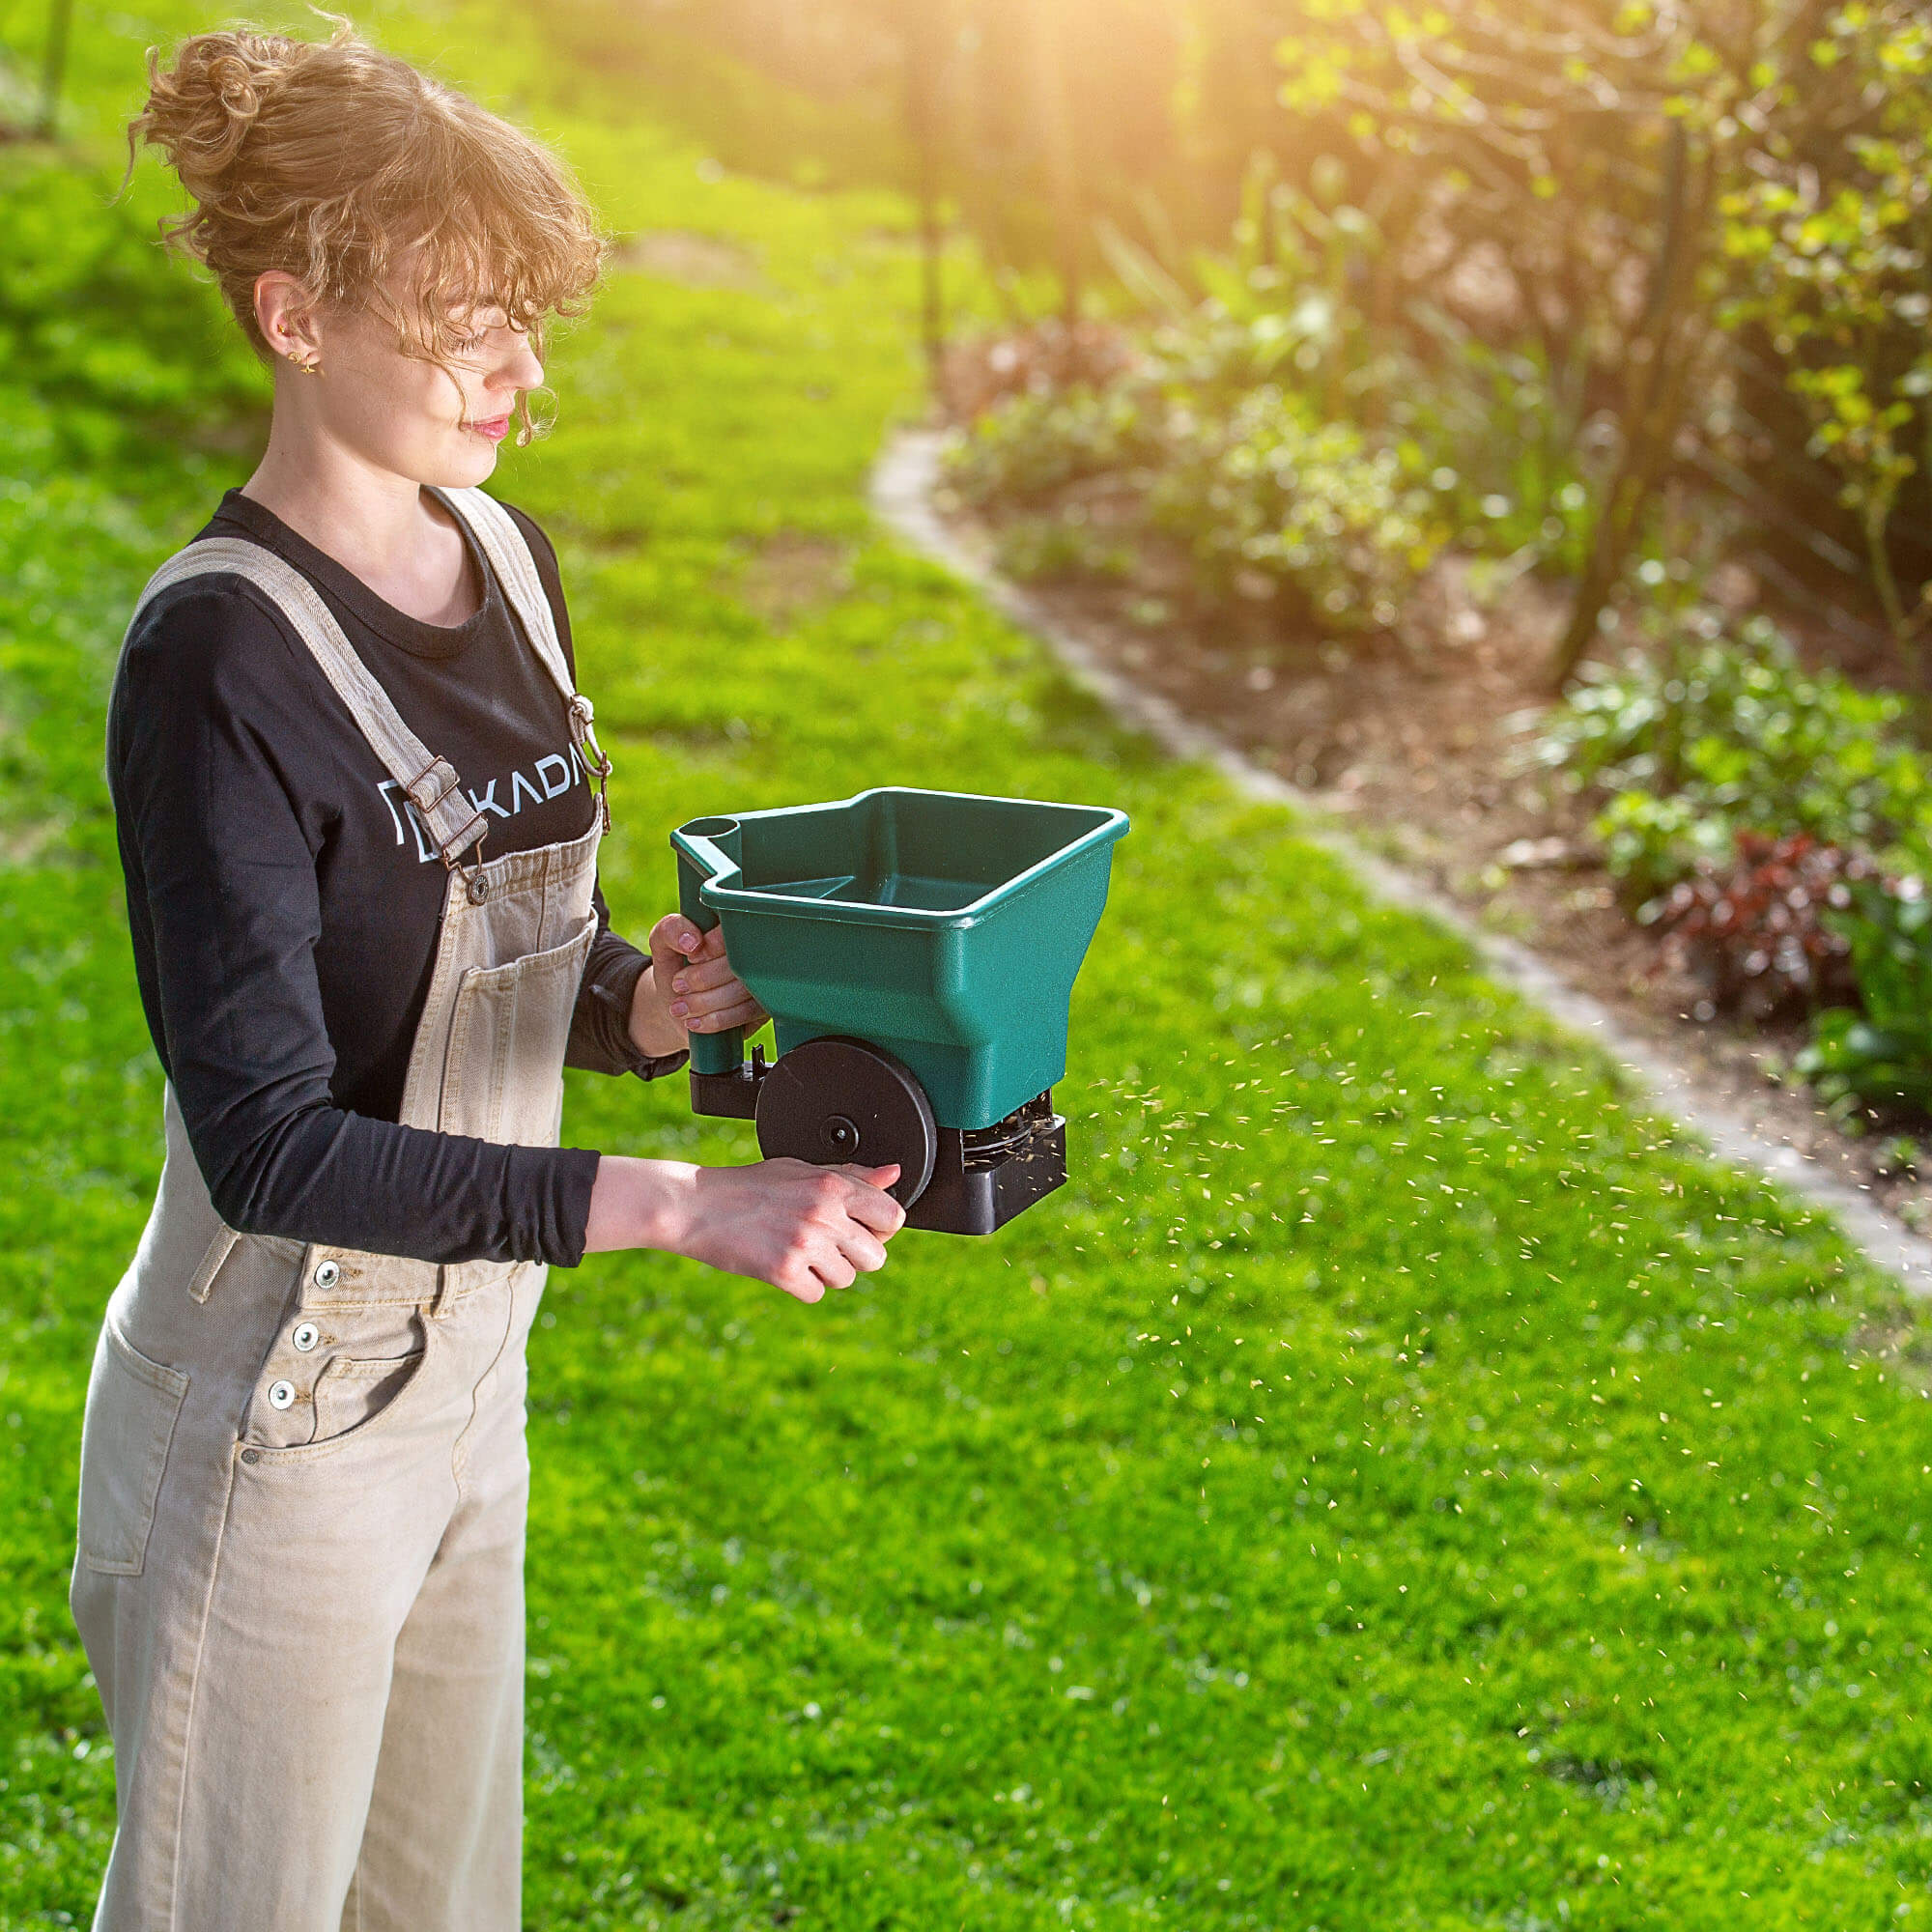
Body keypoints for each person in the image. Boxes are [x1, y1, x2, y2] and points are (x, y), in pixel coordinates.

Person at [73, 21, 907, 1930]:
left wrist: (639, 1006)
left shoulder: (503, 560)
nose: (520, 373)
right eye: (464, 323)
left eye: (527, 317)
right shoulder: (221, 662)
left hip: (468, 1385)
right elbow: (277, 1142)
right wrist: (685, 1204)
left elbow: (465, 939)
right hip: (275, 1424)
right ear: (294, 317)